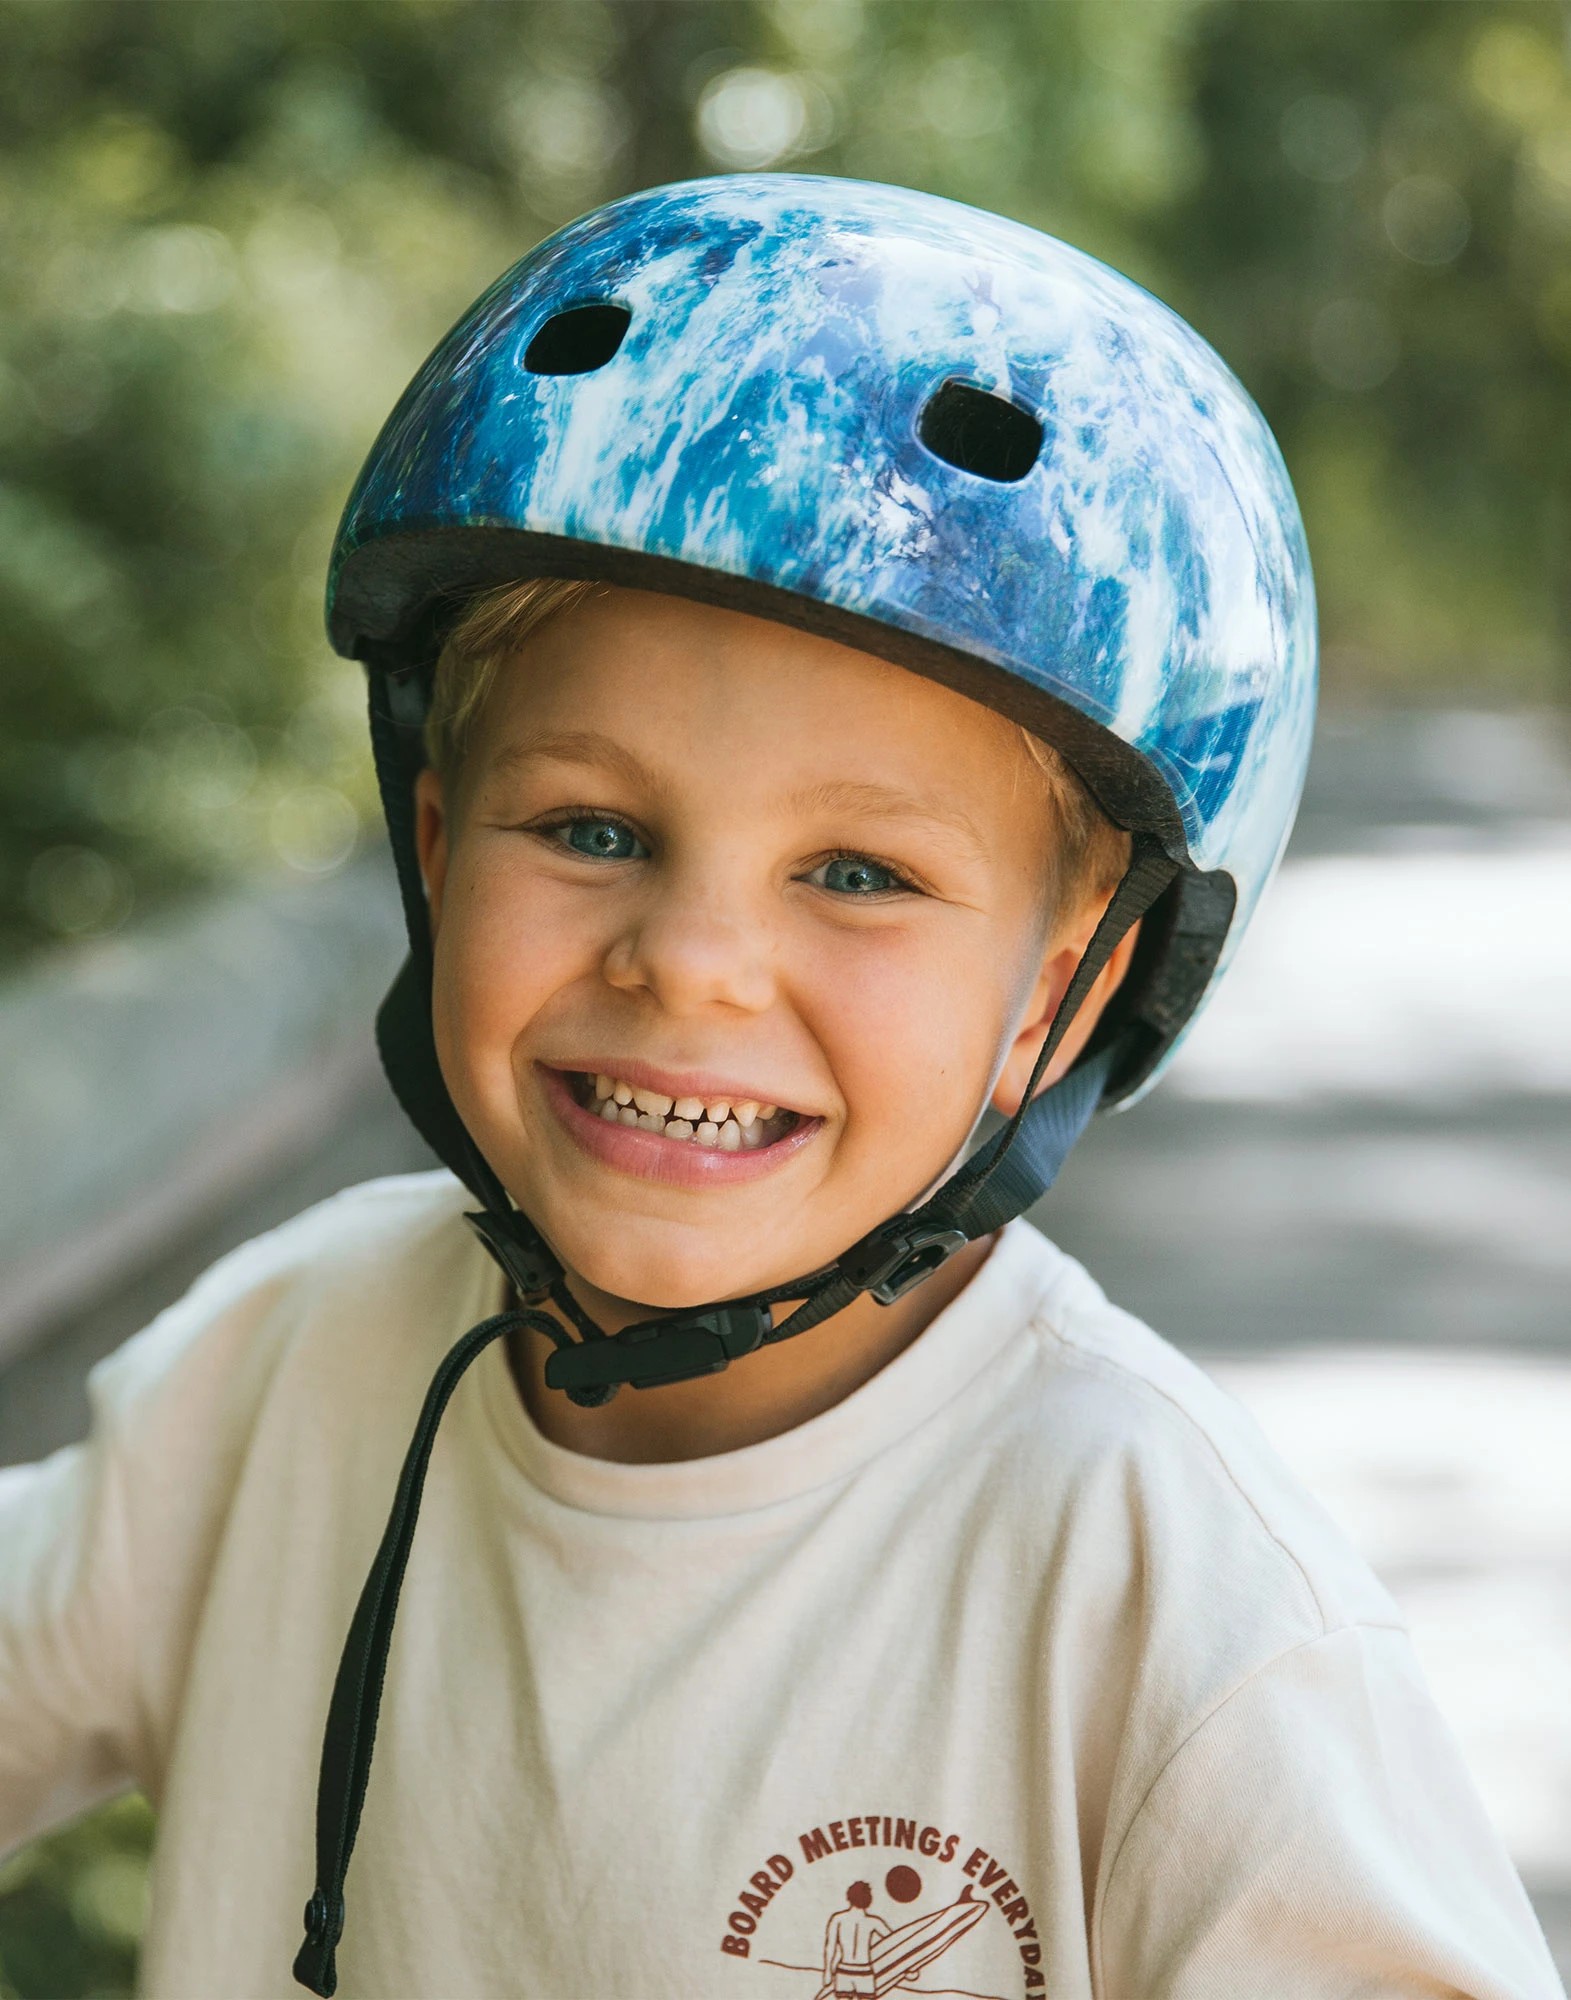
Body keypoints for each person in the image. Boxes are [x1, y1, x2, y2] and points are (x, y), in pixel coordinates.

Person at [0, 175, 1562, 2000]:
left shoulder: (1169, 1618)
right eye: (590, 829)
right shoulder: (285, 1377)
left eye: (858, 874)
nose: (690, 963)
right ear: (434, 851)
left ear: (1070, 985)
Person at [823, 1882, 887, 1998]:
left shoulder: (838, 1919)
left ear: (849, 1897)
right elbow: (895, 1942)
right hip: (864, 1971)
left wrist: (827, 1971)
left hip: (844, 1970)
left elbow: (830, 1947)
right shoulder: (873, 1922)